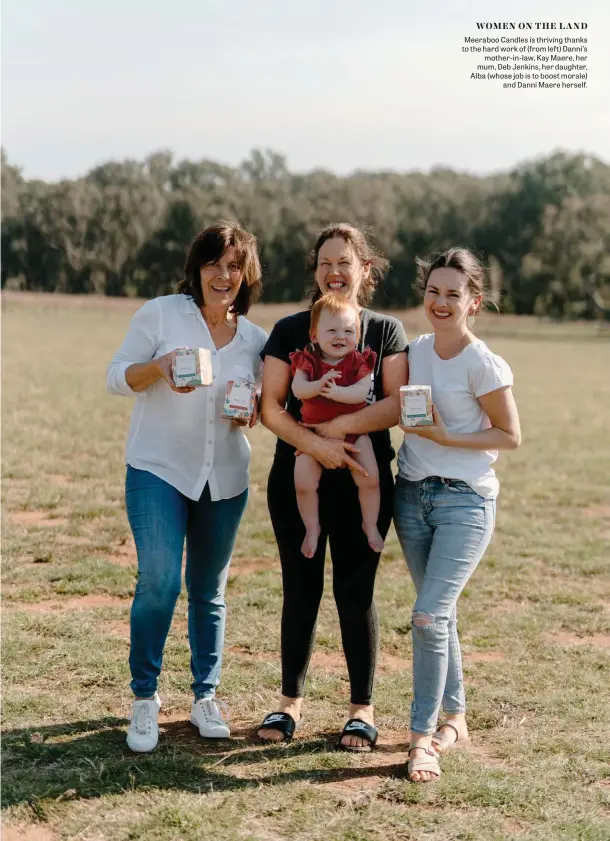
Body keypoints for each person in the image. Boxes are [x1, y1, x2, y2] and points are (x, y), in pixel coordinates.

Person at [107, 221, 267, 753]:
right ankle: (145, 699)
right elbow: (116, 376)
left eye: (234, 266)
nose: (224, 276)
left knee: (209, 592)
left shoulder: (255, 340)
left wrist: (250, 414)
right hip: (158, 470)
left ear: (246, 275)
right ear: (196, 270)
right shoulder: (161, 313)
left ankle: (204, 697)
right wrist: (157, 368)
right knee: (158, 581)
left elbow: (265, 408)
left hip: (223, 478)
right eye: (213, 265)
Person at [257, 223, 408, 751]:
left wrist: (336, 433)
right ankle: (288, 702)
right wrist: (315, 446)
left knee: (355, 591)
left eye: (345, 261)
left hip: (364, 476)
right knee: (300, 587)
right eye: (325, 262)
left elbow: (394, 403)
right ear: (315, 269)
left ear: (365, 270)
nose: (334, 271)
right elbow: (270, 407)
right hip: (298, 474)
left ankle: (361, 709)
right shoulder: (290, 329)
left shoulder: (386, 331)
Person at [393, 247, 521, 782]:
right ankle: (457, 717)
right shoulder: (414, 349)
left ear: (474, 301)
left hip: (465, 502)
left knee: (427, 616)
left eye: (453, 294)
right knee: (437, 615)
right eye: (434, 292)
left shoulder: (482, 362)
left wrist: (448, 436)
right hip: (411, 496)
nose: (441, 302)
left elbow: (510, 436)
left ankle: (422, 738)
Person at [290, 293, 382, 556]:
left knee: (370, 478)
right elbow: (298, 389)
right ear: (315, 335)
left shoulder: (359, 361)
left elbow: (362, 392)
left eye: (348, 330)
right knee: (303, 484)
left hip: (354, 434)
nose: (340, 336)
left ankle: (370, 523)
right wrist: (316, 386)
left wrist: (337, 394)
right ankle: (312, 527)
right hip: (313, 436)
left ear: (358, 334)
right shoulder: (308, 360)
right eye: (332, 330)